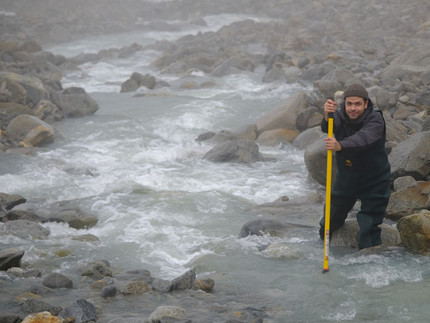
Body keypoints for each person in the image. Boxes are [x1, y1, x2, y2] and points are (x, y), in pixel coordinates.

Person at [319, 83, 391, 249]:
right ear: (344, 104)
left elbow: (365, 138)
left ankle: (367, 260)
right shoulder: (339, 115)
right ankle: (323, 246)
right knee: (329, 221)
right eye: (349, 104)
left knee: (369, 229)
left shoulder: (375, 119)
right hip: (348, 178)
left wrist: (340, 145)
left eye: (357, 104)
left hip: (375, 179)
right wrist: (326, 115)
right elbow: (328, 126)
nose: (353, 108)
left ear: (366, 104)